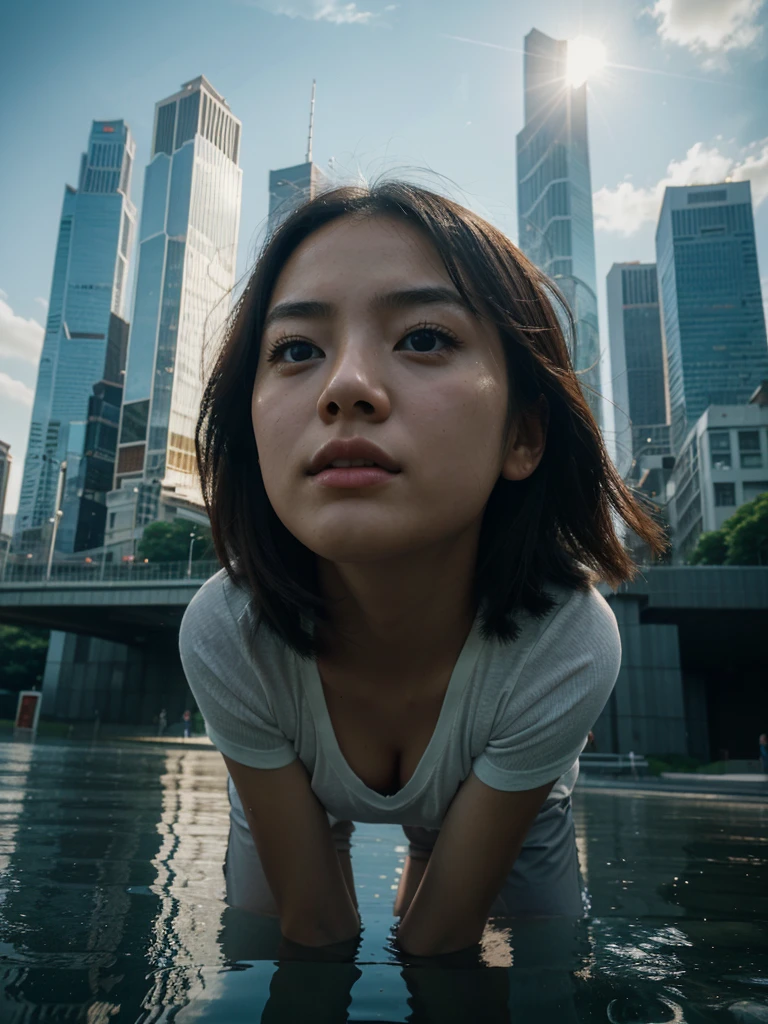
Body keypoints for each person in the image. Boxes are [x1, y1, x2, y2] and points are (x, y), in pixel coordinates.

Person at [178, 180, 666, 959]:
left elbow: (442, 936)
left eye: (424, 338)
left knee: (541, 951)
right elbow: (319, 923)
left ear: (524, 436)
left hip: (513, 787)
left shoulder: (566, 638)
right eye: (298, 350)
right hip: (291, 779)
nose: (345, 390)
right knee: (267, 945)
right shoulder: (227, 631)